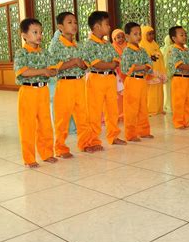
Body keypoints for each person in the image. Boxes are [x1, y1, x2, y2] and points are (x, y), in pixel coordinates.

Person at [14, 18, 59, 168]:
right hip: (28, 91)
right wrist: (43, 71)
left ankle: (47, 153)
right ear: (24, 35)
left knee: (45, 124)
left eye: (40, 32)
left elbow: (53, 69)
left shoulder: (44, 52)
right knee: (28, 126)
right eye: (35, 32)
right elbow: (24, 72)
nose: (39, 35)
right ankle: (29, 158)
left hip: (43, 91)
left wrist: (52, 71)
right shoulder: (22, 53)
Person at [49, 11, 96, 155]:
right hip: (65, 84)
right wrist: (74, 62)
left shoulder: (79, 45)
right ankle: (60, 148)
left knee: (83, 116)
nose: (74, 25)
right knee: (62, 118)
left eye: (75, 22)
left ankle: (85, 143)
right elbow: (53, 67)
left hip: (80, 83)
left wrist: (85, 64)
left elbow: (87, 62)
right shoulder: (55, 46)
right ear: (60, 27)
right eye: (69, 22)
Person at [81, 11, 127, 148]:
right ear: (96, 27)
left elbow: (116, 58)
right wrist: (110, 65)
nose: (109, 26)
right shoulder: (89, 44)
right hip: (96, 78)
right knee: (94, 111)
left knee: (112, 110)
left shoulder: (107, 44)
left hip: (109, 79)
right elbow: (95, 63)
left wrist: (112, 64)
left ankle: (113, 136)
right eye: (106, 24)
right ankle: (92, 140)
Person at [120, 22, 154, 141]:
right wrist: (141, 67)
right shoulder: (127, 51)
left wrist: (144, 67)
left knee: (143, 107)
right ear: (127, 36)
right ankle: (131, 134)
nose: (138, 36)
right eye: (135, 34)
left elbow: (149, 64)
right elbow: (125, 68)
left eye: (139, 34)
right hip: (132, 81)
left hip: (142, 81)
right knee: (131, 109)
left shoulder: (143, 50)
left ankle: (144, 131)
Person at [167, 26, 189, 129]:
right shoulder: (174, 50)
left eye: (185, 34)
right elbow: (179, 65)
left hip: (188, 78)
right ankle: (178, 122)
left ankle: (186, 121)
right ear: (174, 38)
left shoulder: (187, 50)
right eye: (181, 35)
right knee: (179, 102)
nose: (184, 37)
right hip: (179, 78)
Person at [140, 26, 167, 116]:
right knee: (151, 92)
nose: (152, 36)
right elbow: (146, 59)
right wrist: (155, 56)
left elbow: (160, 56)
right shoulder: (142, 45)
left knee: (159, 90)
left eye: (152, 34)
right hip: (150, 72)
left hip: (158, 70)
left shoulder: (155, 44)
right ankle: (150, 110)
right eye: (149, 34)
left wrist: (157, 55)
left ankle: (159, 108)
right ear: (144, 35)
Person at [111, 28, 127, 121]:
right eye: (118, 37)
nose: (121, 39)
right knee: (118, 96)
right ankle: (118, 114)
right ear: (114, 39)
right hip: (117, 74)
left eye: (122, 37)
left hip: (126, 74)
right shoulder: (112, 48)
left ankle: (125, 113)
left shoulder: (127, 47)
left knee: (126, 95)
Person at [161, 35, 173, 114]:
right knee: (170, 90)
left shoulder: (162, 49)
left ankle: (166, 105)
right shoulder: (172, 48)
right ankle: (171, 105)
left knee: (166, 90)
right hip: (172, 72)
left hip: (165, 72)